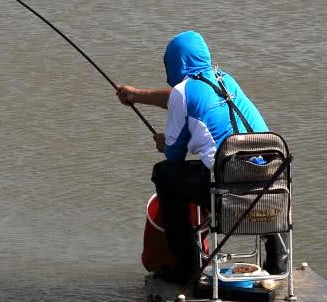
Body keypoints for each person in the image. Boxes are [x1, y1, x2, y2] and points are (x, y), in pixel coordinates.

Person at [115, 30, 285, 285]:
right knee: (248, 168)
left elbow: (174, 154)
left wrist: (164, 142)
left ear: (176, 63)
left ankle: (186, 266)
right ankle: (277, 258)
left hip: (227, 188)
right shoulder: (225, 80)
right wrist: (137, 95)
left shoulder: (184, 92)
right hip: (270, 182)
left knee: (165, 175)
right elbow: (183, 99)